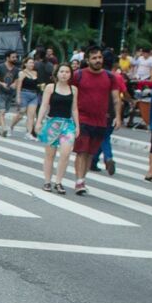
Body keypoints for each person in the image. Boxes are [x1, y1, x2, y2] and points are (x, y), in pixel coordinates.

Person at [66, 50, 120, 195]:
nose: (98, 60)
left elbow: (116, 98)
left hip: (101, 120)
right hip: (82, 118)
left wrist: (118, 117)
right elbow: (68, 91)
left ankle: (82, 179)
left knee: (90, 152)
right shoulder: (79, 75)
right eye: (94, 58)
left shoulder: (110, 77)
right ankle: (79, 181)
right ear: (88, 60)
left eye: (100, 57)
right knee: (81, 151)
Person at [31, 61, 78, 192]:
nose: (64, 74)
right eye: (62, 71)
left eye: (67, 72)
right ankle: (47, 181)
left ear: (71, 74)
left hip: (67, 124)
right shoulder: (50, 87)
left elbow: (74, 109)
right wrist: (38, 122)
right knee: (50, 155)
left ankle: (59, 181)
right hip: (52, 123)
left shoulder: (73, 89)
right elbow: (44, 105)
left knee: (66, 153)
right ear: (57, 74)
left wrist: (77, 126)